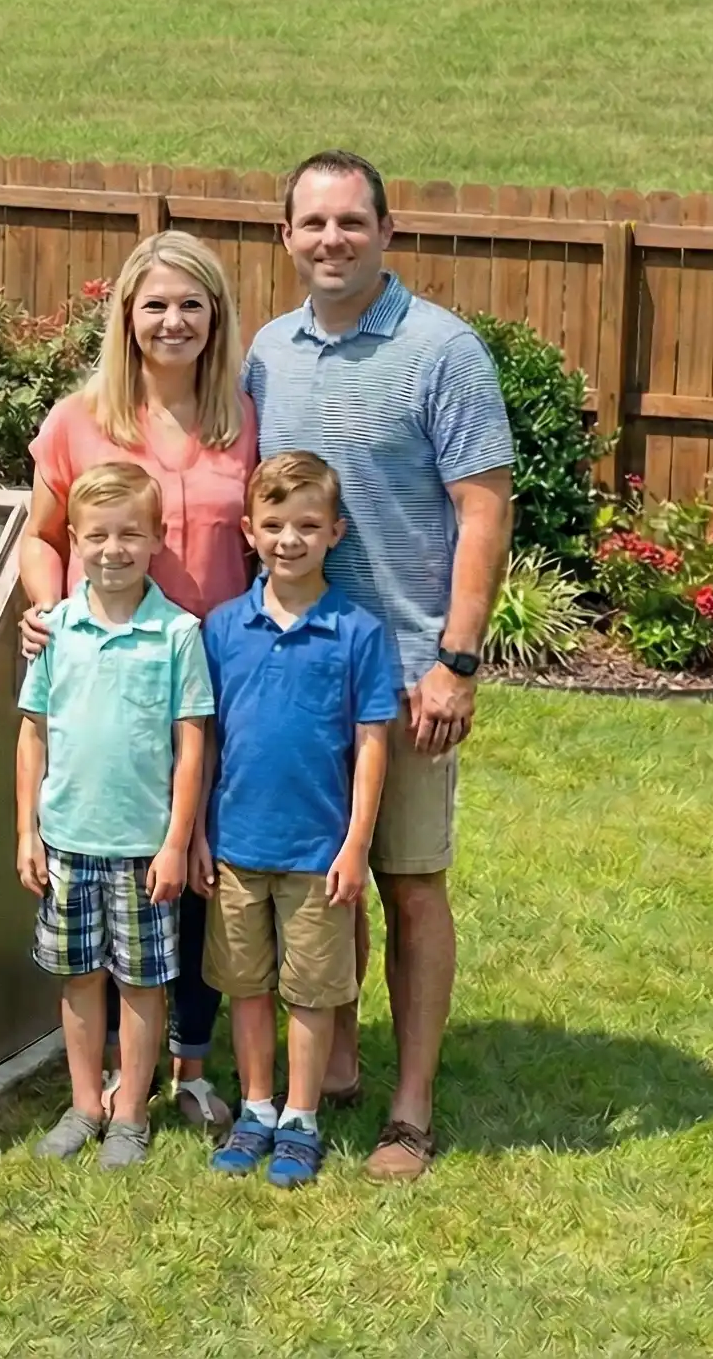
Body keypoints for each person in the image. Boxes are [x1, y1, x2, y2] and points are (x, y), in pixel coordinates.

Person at [245, 149, 514, 1182]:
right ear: (284, 237)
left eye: (348, 222)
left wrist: (455, 659)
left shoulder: (442, 351)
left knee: (405, 883)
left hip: (404, 673)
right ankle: (338, 1061)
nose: (329, 240)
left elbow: (481, 509)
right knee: (324, 879)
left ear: (385, 232)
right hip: (298, 670)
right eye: (309, 224)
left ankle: (409, 1107)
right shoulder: (267, 352)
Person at [20, 229, 255, 1138]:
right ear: (127, 315)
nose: (172, 321)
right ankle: (116, 1075)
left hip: (209, 674)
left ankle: (192, 1066)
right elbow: (42, 537)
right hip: (107, 675)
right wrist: (45, 611)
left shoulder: (243, 418)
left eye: (191, 304)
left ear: (215, 317)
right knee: (118, 858)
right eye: (154, 304)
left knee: (192, 862)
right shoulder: (80, 419)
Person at [200, 452, 401, 1189]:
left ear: (335, 533)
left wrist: (355, 842)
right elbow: (206, 739)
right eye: (275, 524)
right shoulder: (223, 630)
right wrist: (196, 834)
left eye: (308, 525)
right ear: (249, 531)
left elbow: (374, 743)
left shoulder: (358, 633)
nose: (290, 539)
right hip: (235, 845)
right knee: (247, 987)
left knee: (312, 990)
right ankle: (256, 1108)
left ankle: (303, 1118)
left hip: (319, 851)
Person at [14, 462, 214, 1168]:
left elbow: (191, 747)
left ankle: (130, 1111)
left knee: (140, 981)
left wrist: (175, 841)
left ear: (158, 538)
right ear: (73, 541)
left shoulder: (177, 635)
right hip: (67, 841)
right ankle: (82, 1103)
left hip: (141, 847)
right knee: (78, 977)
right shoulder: (55, 631)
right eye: (96, 535)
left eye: (131, 534)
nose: (113, 549)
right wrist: (27, 832)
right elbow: (33, 732)